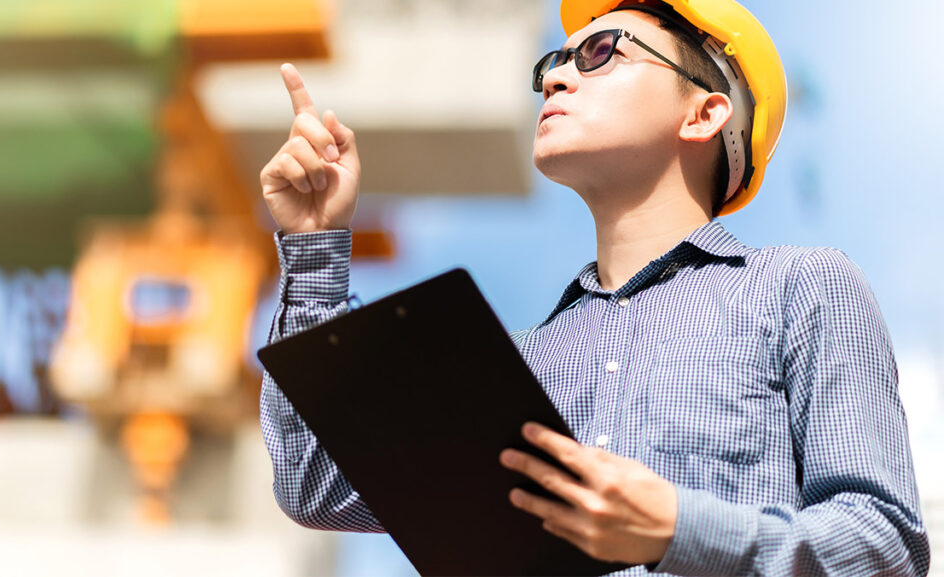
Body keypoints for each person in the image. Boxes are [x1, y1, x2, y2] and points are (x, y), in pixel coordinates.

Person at [257, 0, 930, 574]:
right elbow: (317, 481)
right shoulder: (508, 364)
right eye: (552, 64)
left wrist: (681, 527)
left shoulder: (801, 288)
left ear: (703, 114)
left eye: (601, 53)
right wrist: (316, 243)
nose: (556, 79)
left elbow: (883, 542)